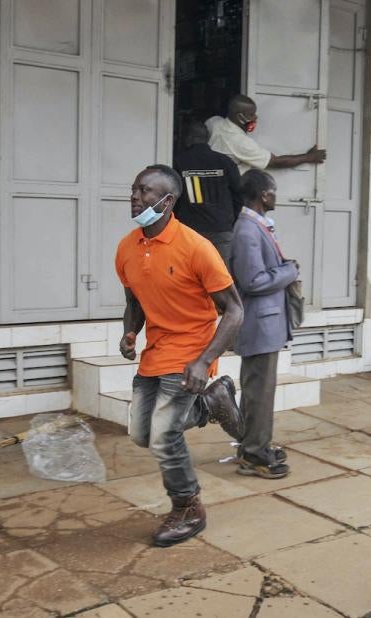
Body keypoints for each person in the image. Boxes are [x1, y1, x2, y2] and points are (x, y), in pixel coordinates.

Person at [115, 164, 245, 548]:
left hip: (191, 352)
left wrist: (204, 361)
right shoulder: (126, 247)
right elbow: (134, 300)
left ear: (168, 201)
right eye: (134, 189)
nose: (136, 197)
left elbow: (234, 310)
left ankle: (188, 508)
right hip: (155, 352)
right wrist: (129, 331)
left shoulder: (196, 248)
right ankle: (212, 401)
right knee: (141, 433)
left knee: (164, 436)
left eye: (145, 191)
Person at [230, 169, 299, 478]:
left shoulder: (257, 226)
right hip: (260, 325)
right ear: (263, 195)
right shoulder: (247, 230)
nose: (275, 195)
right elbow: (253, 280)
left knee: (258, 390)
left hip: (266, 323)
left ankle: (253, 447)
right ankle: (255, 455)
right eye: (272, 190)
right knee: (259, 392)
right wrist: (290, 271)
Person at [172, 119, 244, 269]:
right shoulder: (225, 161)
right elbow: (239, 195)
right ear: (207, 139)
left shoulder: (179, 162)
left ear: (189, 138)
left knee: (190, 276)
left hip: (190, 231)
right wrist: (229, 220)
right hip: (221, 230)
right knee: (221, 277)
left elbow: (173, 198)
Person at [206, 94, 326, 174]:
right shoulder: (240, 142)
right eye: (251, 114)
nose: (255, 117)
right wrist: (309, 157)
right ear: (239, 117)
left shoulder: (214, 122)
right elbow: (276, 162)